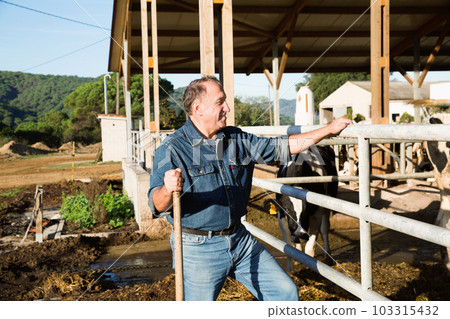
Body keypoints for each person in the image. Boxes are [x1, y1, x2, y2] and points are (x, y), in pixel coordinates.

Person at [148, 76, 352, 301]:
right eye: (220, 102)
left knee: (285, 293)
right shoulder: (172, 149)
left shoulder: (237, 139)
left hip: (239, 239)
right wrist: (167, 190)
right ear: (198, 109)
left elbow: (283, 147)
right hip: (198, 247)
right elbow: (156, 204)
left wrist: (328, 129)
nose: (227, 107)